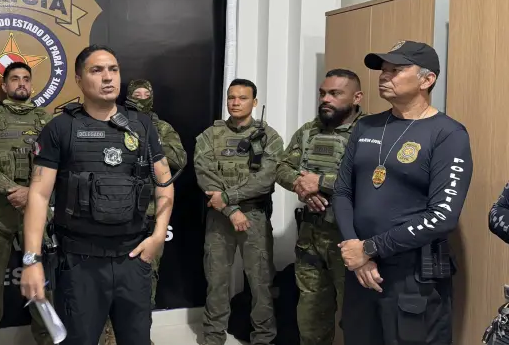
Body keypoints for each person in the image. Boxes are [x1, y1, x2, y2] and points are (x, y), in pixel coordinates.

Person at [19, 45, 176, 345]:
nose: (108, 77)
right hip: (80, 264)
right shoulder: (60, 128)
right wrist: (31, 260)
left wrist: (158, 236)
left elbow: (165, 182)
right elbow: (38, 195)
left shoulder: (142, 125)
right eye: (97, 70)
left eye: (113, 69)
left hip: (133, 259)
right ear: (79, 80)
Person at [333, 41, 473, 345]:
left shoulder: (448, 134)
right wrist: (357, 251)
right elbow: (342, 191)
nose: (384, 76)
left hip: (412, 277)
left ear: (427, 79)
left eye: (396, 70)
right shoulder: (366, 126)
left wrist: (370, 248)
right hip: (360, 268)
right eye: (383, 70)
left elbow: (442, 216)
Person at [275, 69, 365, 345]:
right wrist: (301, 186)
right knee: (311, 317)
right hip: (311, 238)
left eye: (335, 93)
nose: (326, 99)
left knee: (357, 318)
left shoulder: (370, 133)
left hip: (349, 240)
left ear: (356, 98)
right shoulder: (309, 131)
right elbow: (282, 167)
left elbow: (372, 180)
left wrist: (321, 182)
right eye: (322, 93)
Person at [0, 62, 53, 345]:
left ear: (32, 85)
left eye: (26, 78)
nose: (21, 83)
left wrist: (32, 193)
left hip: (38, 215)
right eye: (15, 79)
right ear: (4, 86)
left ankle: (47, 338)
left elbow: (61, 162)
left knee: (43, 283)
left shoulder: (47, 122)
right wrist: (13, 189)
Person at [194, 78, 283, 345]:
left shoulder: (269, 137)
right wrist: (231, 209)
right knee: (216, 280)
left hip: (254, 216)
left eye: (242, 98)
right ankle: (213, 338)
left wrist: (228, 198)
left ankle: (263, 338)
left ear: (254, 102)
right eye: (231, 97)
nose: (235, 103)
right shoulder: (210, 135)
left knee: (261, 282)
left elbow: (266, 178)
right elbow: (204, 174)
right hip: (220, 218)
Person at [102, 79, 188, 345]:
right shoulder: (114, 121)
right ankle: (109, 337)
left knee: (145, 280)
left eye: (145, 93)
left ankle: (139, 336)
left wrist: (151, 139)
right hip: (115, 212)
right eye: (136, 94)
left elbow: (179, 159)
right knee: (109, 280)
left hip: (149, 215)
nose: (141, 97)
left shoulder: (161, 127)